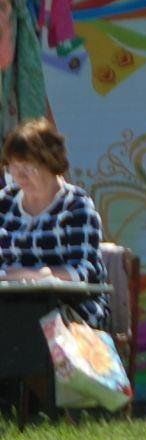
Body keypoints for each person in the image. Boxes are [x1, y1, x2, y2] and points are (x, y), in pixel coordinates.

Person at [0, 118, 110, 331]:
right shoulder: (4, 201)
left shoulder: (76, 206)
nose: (19, 175)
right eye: (13, 166)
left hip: (71, 309)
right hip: (11, 304)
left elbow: (86, 270)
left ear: (50, 163)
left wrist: (36, 277)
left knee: (25, 324)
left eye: (28, 167)